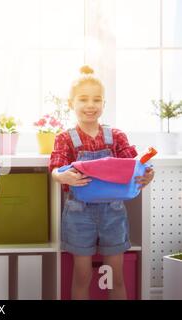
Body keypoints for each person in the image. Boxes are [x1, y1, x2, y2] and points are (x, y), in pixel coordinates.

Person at [49, 65, 154, 300]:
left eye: (97, 100)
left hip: (114, 213)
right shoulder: (65, 138)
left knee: (116, 277)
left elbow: (136, 164)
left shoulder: (116, 136)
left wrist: (148, 174)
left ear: (104, 104)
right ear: (71, 103)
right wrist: (61, 176)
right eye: (83, 99)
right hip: (78, 214)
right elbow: (55, 169)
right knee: (82, 275)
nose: (90, 105)